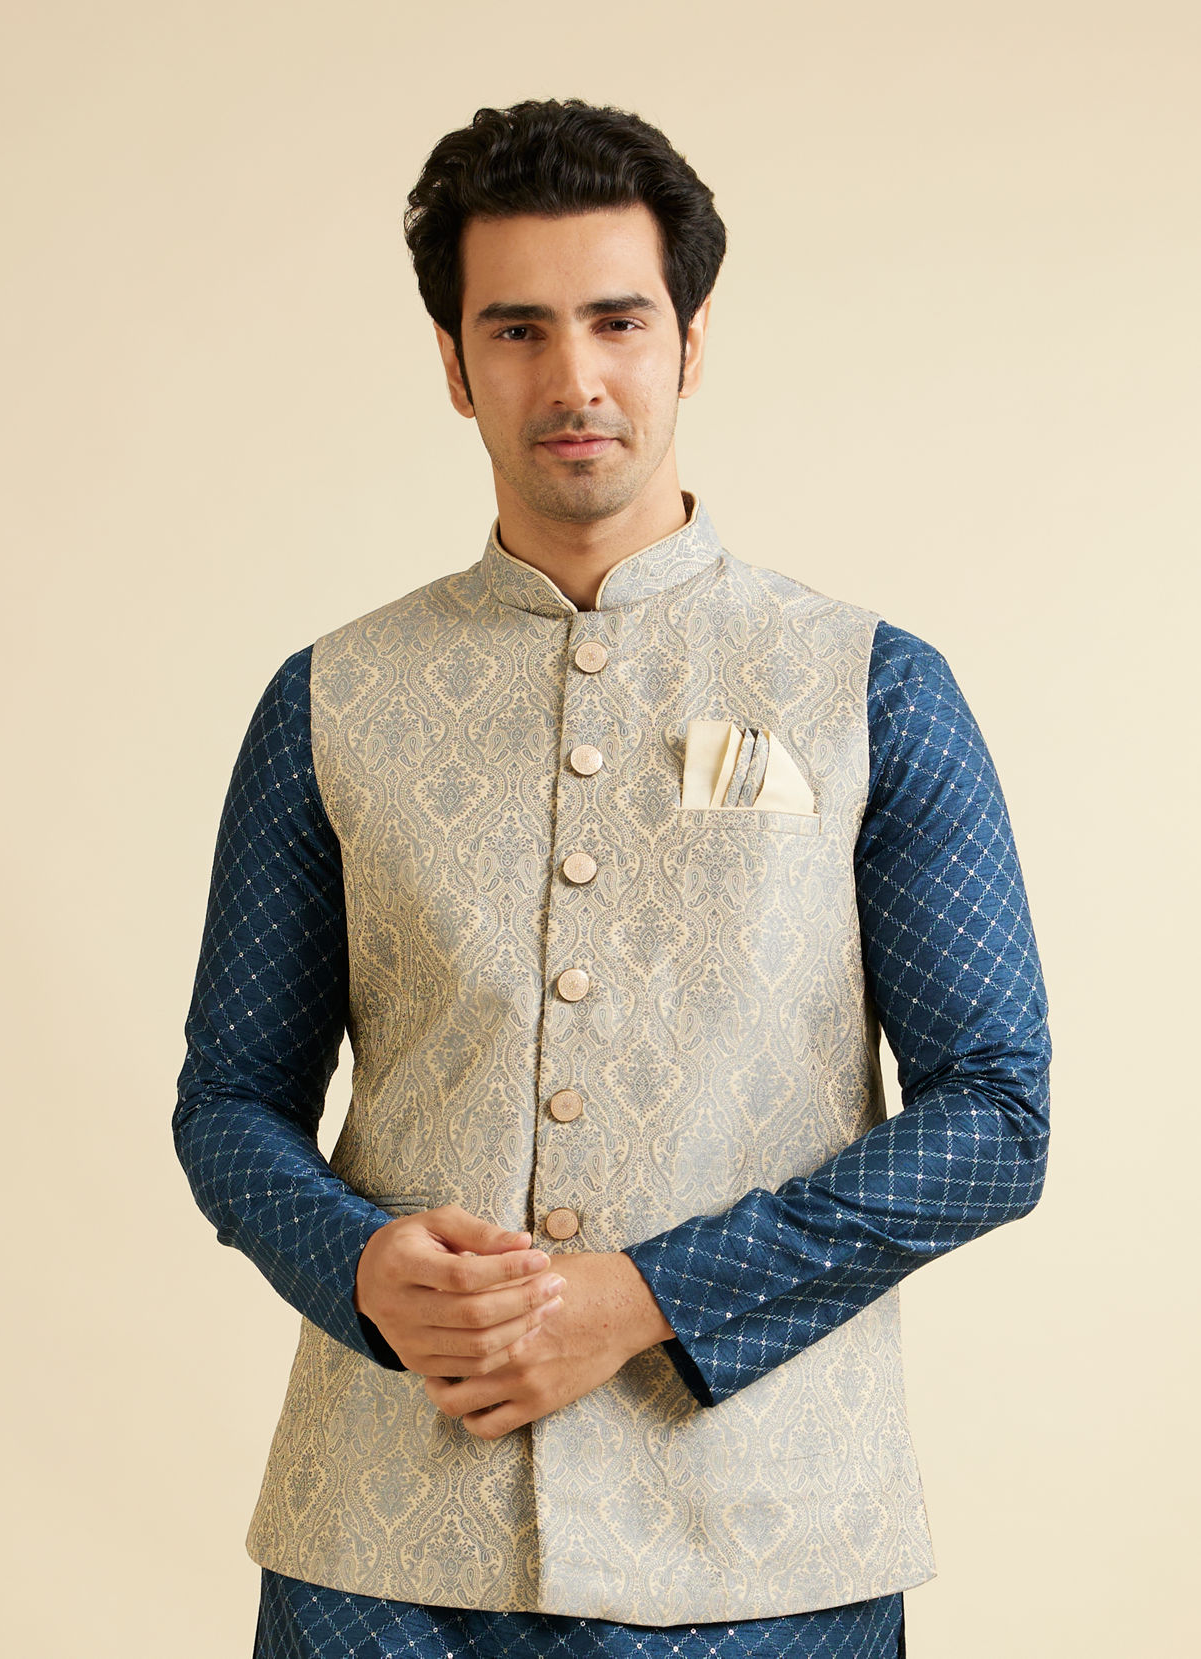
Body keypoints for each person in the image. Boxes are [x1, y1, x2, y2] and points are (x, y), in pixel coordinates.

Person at [173, 97, 1051, 1659]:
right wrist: (357, 1261)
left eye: (617, 321)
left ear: (690, 343)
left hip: (767, 1556)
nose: (573, 378)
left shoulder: (871, 688)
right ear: (455, 364)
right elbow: (230, 1101)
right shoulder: (331, 698)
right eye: (516, 329)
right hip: (381, 1553)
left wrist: (648, 1297)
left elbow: (997, 1117)